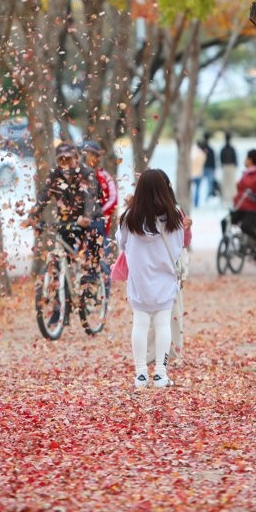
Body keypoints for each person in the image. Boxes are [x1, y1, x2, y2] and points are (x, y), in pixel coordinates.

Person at [118, 169, 191, 389]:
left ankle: (141, 374)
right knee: (162, 324)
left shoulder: (129, 217)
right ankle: (160, 374)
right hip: (164, 278)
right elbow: (180, 247)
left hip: (139, 279)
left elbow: (121, 244)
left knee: (139, 323)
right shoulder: (175, 216)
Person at [19, 142, 99, 277]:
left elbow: (90, 196)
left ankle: (92, 281)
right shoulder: (55, 175)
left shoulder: (86, 173)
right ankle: (62, 288)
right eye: (61, 159)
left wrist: (87, 216)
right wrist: (33, 217)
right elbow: (44, 195)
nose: (64, 162)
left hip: (90, 219)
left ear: (76, 158)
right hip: (68, 220)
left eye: (68, 159)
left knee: (90, 259)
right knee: (62, 252)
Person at [81, 140, 118, 288]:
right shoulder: (78, 176)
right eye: (86, 154)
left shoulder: (105, 177)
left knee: (102, 261)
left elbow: (113, 198)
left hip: (100, 226)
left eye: (92, 155)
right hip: (80, 224)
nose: (89, 158)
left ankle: (105, 292)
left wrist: (98, 213)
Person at [223, 148, 256, 255]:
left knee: (245, 225)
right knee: (225, 221)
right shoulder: (247, 173)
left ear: (251, 159)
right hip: (242, 207)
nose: (244, 160)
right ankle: (227, 245)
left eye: (247, 158)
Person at [220, 133, 238, 205]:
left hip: (227, 166)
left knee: (228, 183)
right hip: (229, 166)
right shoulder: (229, 149)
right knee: (229, 183)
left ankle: (228, 198)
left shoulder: (224, 149)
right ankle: (228, 198)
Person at [200, 132, 218, 200]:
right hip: (209, 167)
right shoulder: (210, 148)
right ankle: (207, 198)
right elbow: (213, 159)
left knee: (202, 184)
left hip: (204, 167)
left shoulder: (202, 147)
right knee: (209, 184)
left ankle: (206, 198)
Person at [190, 140, 206, 209]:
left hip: (192, 173)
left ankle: (192, 202)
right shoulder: (203, 154)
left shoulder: (193, 153)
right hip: (199, 173)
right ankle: (196, 203)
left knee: (191, 189)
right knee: (197, 189)